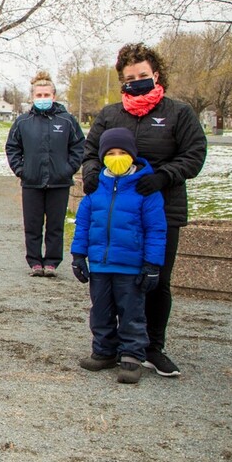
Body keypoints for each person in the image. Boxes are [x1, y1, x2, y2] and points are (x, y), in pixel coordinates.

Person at [82, 43, 206, 378]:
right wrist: (91, 173)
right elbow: (90, 151)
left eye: (143, 76)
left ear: (156, 75)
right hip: (116, 215)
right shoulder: (110, 115)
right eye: (129, 77)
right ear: (122, 79)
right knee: (111, 282)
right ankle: (110, 347)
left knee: (155, 281)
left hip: (161, 209)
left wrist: (165, 176)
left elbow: (195, 154)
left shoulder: (178, 113)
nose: (136, 81)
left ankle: (151, 347)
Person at [71, 128, 167, 385]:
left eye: (122, 153)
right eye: (111, 153)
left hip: (131, 266)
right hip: (100, 264)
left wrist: (152, 264)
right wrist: (78, 255)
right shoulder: (96, 187)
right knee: (100, 310)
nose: (116, 157)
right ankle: (103, 351)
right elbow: (83, 223)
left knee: (131, 313)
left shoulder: (145, 190)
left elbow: (156, 229)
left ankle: (132, 356)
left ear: (132, 156)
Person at [5, 70, 85, 278]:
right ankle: (34, 261)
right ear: (32, 97)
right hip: (31, 182)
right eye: (38, 95)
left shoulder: (67, 121)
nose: (42, 99)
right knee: (33, 225)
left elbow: (79, 147)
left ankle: (51, 261)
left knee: (55, 226)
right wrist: (21, 170)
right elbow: (12, 147)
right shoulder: (23, 122)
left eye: (46, 95)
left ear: (54, 96)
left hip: (59, 183)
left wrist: (68, 169)